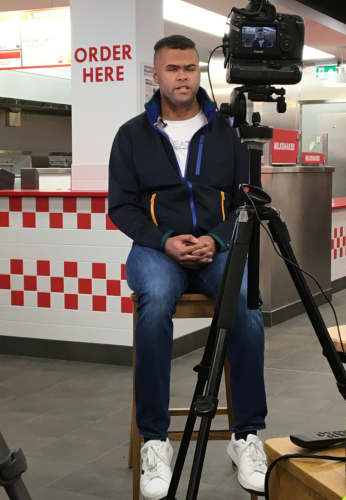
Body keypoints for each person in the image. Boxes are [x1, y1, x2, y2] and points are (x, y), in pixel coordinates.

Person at [108, 35, 268, 500]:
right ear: (155, 75)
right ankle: (156, 440)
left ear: (200, 73)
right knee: (155, 302)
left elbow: (245, 200)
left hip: (216, 249)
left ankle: (246, 436)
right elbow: (121, 206)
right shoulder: (132, 134)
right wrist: (165, 241)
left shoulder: (227, 134)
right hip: (158, 249)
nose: (183, 76)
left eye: (191, 68)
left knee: (246, 303)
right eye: (174, 68)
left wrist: (215, 240)